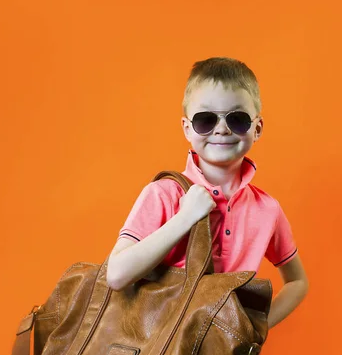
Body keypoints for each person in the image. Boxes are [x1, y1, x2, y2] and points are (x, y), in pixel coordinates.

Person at [107, 57, 309, 332]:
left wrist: (254, 330)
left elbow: (298, 282)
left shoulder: (266, 209)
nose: (222, 129)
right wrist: (185, 217)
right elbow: (117, 275)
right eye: (205, 119)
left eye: (238, 119)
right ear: (187, 128)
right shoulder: (165, 194)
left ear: (257, 128)